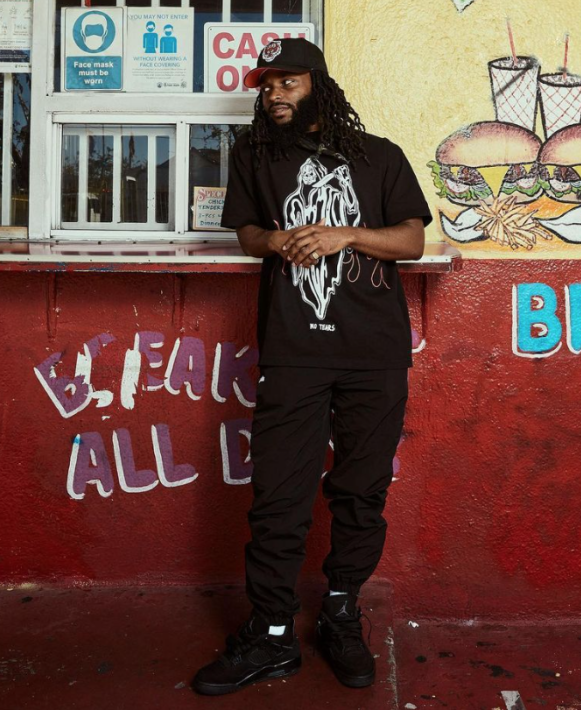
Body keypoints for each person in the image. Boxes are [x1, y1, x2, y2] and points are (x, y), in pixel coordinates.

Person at [192, 38, 430, 696]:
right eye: (266, 85)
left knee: (359, 491)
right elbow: (245, 234)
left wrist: (344, 234)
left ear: (318, 86)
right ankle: (270, 634)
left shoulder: (377, 156)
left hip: (372, 353)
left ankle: (340, 612)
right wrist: (272, 240)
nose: (273, 94)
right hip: (293, 351)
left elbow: (410, 238)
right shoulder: (254, 156)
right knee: (277, 496)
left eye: (287, 83)